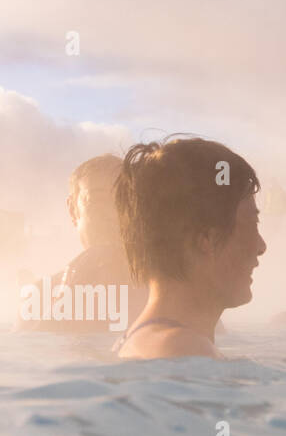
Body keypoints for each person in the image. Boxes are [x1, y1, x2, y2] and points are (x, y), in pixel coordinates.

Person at [113, 136, 266, 359]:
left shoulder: (142, 341)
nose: (261, 246)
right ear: (207, 239)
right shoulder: (180, 349)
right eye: (252, 225)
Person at [16, 154, 147, 333]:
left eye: (122, 201)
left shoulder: (159, 291)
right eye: (99, 201)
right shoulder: (41, 295)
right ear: (73, 210)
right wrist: (65, 298)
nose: (112, 214)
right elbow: (27, 355)